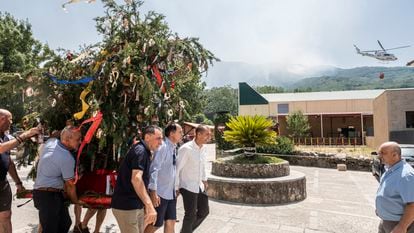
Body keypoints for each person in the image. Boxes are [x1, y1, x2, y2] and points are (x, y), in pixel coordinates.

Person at [111, 125, 163, 233]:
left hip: (135, 206)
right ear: (147, 137)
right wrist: (149, 206)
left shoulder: (145, 151)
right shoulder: (141, 151)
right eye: (158, 138)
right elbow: (136, 179)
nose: (161, 142)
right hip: (127, 206)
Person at [33, 126, 84, 233]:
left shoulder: (51, 143)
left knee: (65, 223)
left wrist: (69, 127)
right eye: (78, 139)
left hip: (44, 194)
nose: (80, 142)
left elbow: (55, 134)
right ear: (67, 139)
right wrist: (76, 201)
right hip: (48, 196)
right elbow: (70, 185)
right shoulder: (66, 157)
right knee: (51, 229)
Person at [0, 109, 40, 233]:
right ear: (1, 119)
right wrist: (24, 135)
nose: (11, 122)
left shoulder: (5, 137)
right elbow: (1, 149)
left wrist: (18, 182)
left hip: (2, 183)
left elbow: (9, 162)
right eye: (9, 119)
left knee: (6, 216)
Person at [145, 123, 183, 233]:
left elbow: (172, 170)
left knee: (171, 222)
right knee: (155, 224)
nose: (182, 134)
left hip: (170, 194)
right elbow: (154, 170)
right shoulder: (163, 147)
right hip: (160, 194)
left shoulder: (173, 147)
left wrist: (175, 188)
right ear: (171, 134)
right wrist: (153, 192)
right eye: (180, 132)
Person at [175, 125, 211, 233]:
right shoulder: (186, 149)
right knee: (190, 214)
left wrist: (204, 180)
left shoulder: (204, 148)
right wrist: (176, 187)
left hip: (199, 185)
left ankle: (186, 231)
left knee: (204, 211)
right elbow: (177, 169)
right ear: (198, 134)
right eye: (207, 134)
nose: (209, 137)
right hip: (187, 186)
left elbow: (203, 165)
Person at [376, 141, 414, 233]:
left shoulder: (406, 175)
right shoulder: (390, 169)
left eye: (383, 153)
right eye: (379, 153)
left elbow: (412, 204)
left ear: (395, 155)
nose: (379, 156)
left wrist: (402, 226)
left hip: (398, 224)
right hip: (386, 221)